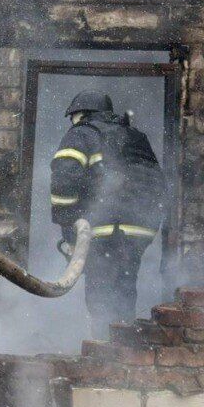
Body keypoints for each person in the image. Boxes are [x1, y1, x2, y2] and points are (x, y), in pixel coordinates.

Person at [49, 90, 166, 338]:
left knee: (100, 296)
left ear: (81, 114)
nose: (73, 123)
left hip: (104, 230)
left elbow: (64, 176)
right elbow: (157, 183)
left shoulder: (83, 133)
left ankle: (102, 353)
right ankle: (122, 353)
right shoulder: (136, 138)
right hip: (139, 231)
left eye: (74, 118)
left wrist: (69, 224)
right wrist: (147, 227)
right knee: (123, 293)